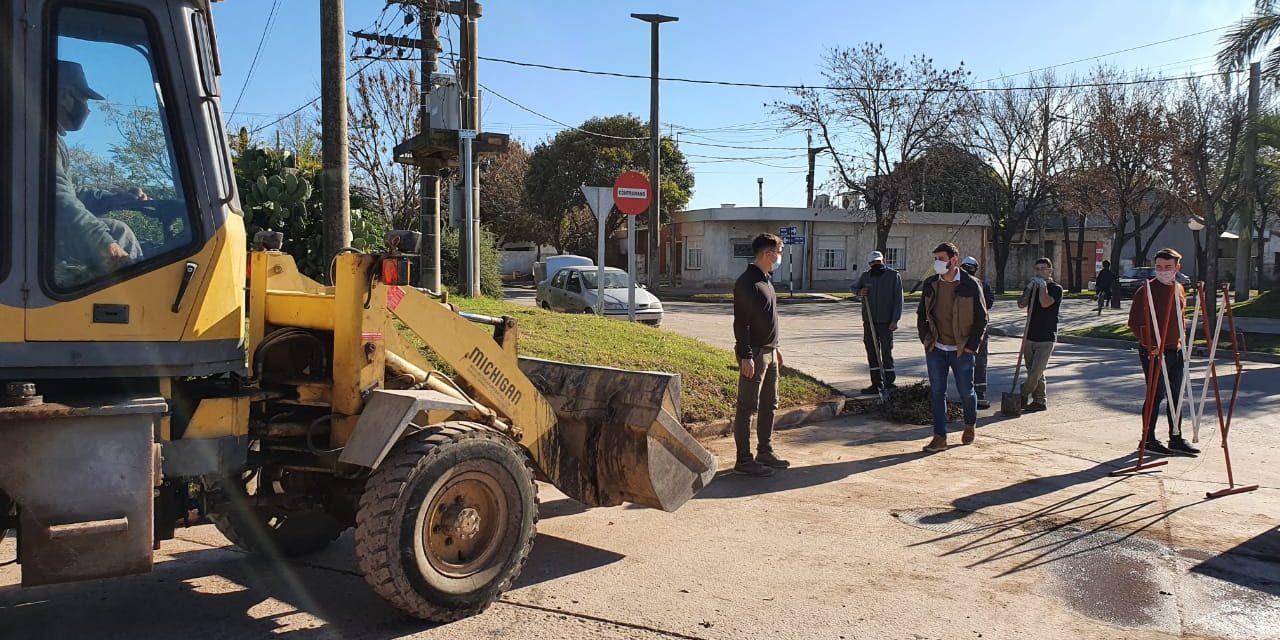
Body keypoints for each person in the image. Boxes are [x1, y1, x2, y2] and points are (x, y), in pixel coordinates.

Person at [53, 60, 143, 282]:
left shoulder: (46, 138)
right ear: (64, 97)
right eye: (83, 99)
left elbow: (70, 192)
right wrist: (106, 246)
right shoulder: (37, 140)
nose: (87, 109)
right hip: (36, 245)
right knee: (119, 235)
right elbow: (60, 199)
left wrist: (118, 199)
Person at [1127, 248, 1200, 457]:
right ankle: (1147, 439)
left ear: (1177, 267)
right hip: (1155, 351)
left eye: (1168, 267)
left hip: (1175, 350)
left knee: (1176, 395)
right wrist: (1150, 345)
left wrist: (1183, 344)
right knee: (1156, 394)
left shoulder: (1179, 288)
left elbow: (1179, 318)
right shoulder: (1146, 289)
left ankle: (1175, 438)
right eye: (1159, 267)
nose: (1163, 271)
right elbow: (1135, 322)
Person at [916, 242, 988, 452]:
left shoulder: (971, 284)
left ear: (954, 260)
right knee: (937, 392)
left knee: (966, 391)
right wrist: (926, 339)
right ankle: (940, 437)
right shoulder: (931, 284)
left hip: (962, 349)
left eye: (941, 259)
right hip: (936, 349)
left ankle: (969, 425)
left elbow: (982, 318)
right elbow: (922, 315)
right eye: (935, 259)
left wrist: (971, 347)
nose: (937, 263)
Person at [732, 233, 791, 476]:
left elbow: (767, 319)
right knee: (747, 406)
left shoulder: (766, 281)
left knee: (770, 404)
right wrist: (745, 355)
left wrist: (775, 348)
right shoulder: (748, 282)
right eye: (779, 251)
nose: (780, 256)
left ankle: (764, 451)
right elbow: (741, 324)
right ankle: (744, 460)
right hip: (753, 354)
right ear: (768, 254)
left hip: (768, 352)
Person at [851, 250, 904, 395]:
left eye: (878, 262)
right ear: (869, 263)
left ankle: (889, 383)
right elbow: (853, 287)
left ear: (883, 261)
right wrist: (859, 292)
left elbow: (899, 300)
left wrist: (895, 320)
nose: (876, 264)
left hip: (887, 322)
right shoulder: (866, 276)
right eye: (873, 262)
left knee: (886, 351)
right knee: (872, 351)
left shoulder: (893, 276)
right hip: (870, 321)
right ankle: (876, 383)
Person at [1016, 258, 1063, 413]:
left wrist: (1043, 286)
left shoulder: (1056, 288)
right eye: (1037, 269)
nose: (1039, 272)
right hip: (1030, 335)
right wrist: (1029, 289)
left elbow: (1045, 303)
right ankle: (1040, 401)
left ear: (1050, 270)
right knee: (1035, 372)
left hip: (1046, 337)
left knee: (1036, 371)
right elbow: (1021, 304)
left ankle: (1022, 395)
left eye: (1043, 269)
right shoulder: (1032, 288)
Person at [959, 256, 995, 409]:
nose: (967, 270)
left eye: (970, 267)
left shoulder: (983, 286)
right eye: (965, 267)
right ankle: (966, 391)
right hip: (960, 328)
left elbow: (988, 304)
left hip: (978, 328)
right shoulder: (956, 285)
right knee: (961, 361)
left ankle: (979, 391)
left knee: (979, 360)